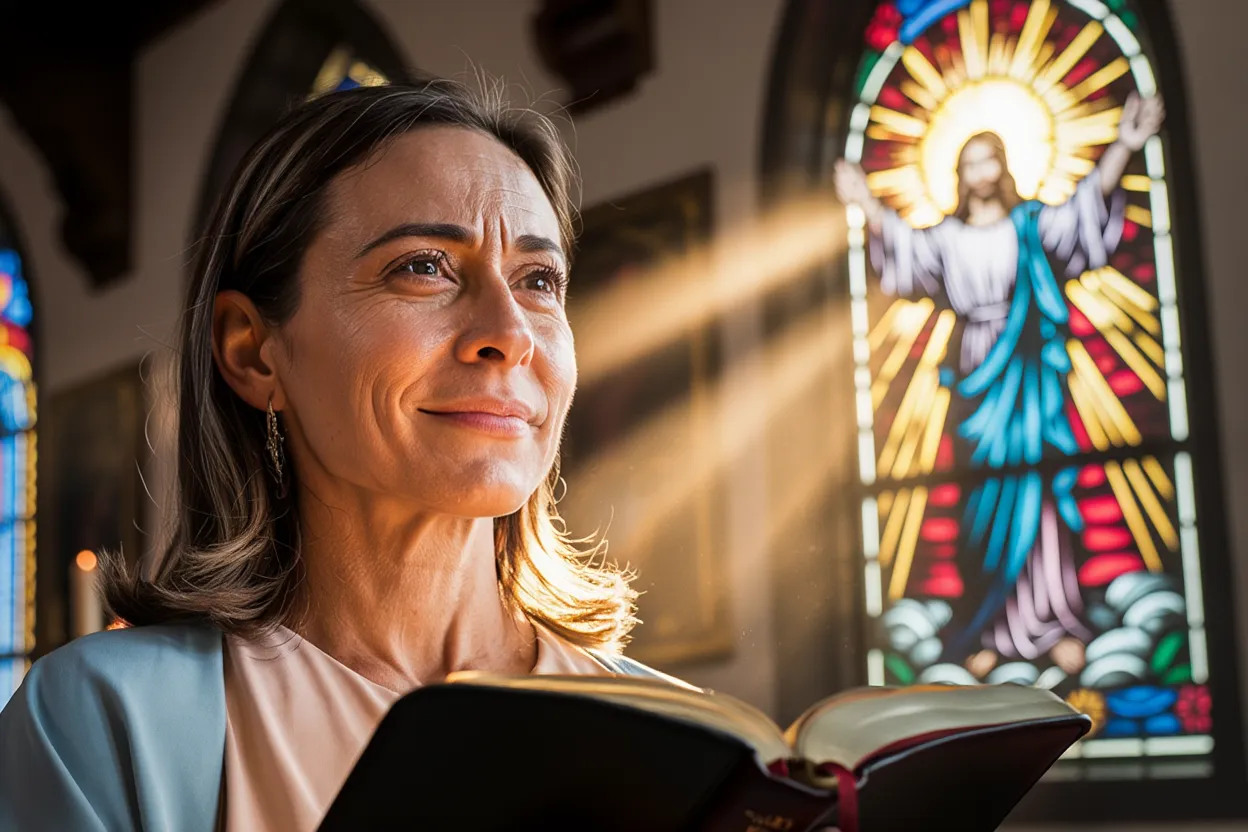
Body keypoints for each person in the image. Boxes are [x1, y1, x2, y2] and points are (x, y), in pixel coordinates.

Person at [0, 78, 682, 831]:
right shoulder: (107, 721)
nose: (511, 332)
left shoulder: (685, 739)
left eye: (539, 280)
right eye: (424, 267)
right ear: (253, 351)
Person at [834, 93, 1165, 672]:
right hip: (977, 375)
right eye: (969, 163)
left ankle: (1055, 621)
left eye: (989, 160)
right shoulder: (945, 239)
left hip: (1029, 370)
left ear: (1005, 166)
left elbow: (1084, 212)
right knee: (984, 502)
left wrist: (1125, 147)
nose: (980, 173)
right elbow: (905, 251)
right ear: (957, 176)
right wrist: (863, 201)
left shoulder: (1031, 225)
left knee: (1040, 498)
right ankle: (991, 629)